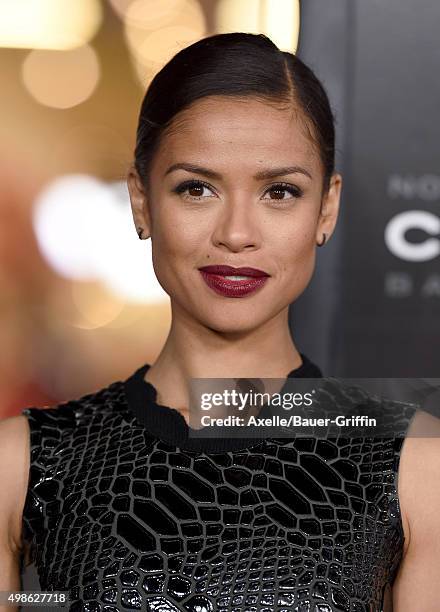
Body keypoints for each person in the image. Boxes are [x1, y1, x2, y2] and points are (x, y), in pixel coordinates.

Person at [0, 32, 439, 612]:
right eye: (197, 188)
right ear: (141, 201)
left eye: (280, 191)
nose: (236, 234)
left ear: (325, 209)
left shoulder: (414, 464)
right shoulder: (24, 461)